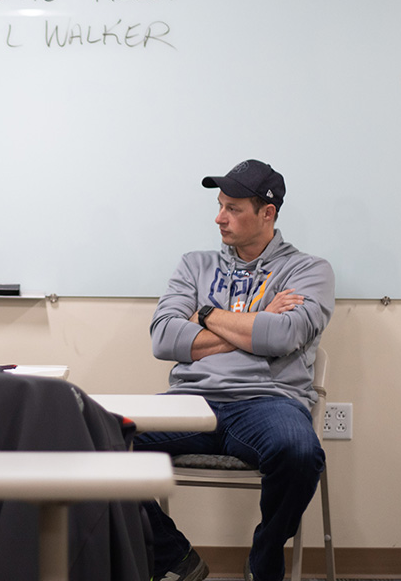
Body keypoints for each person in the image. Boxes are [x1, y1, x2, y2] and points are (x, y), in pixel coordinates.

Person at [136, 159, 334, 581]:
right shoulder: (194, 265)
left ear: (268, 213)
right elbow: (164, 340)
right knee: (95, 439)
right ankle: (172, 557)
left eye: (233, 208)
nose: (219, 217)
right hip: (191, 402)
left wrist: (202, 315)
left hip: (269, 403)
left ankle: (264, 560)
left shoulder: (308, 270)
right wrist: (257, 321)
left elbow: (286, 336)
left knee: (301, 454)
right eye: (219, 205)